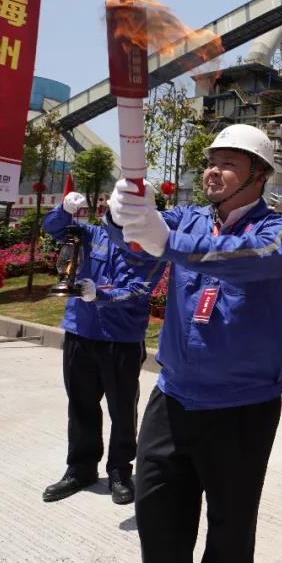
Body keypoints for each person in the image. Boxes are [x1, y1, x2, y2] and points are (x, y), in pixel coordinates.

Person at [106, 124, 282, 563]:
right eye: (211, 162)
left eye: (229, 163)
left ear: (260, 175)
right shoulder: (188, 219)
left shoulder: (277, 231)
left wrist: (165, 240)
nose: (213, 171)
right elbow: (136, 245)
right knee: (158, 518)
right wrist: (122, 216)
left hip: (242, 407)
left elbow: (247, 254)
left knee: (231, 531)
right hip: (172, 399)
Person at [40, 191, 165, 505]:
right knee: (80, 404)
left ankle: (121, 471)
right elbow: (54, 229)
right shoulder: (91, 233)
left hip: (120, 338)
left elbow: (139, 289)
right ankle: (80, 469)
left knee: (122, 408)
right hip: (81, 331)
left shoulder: (150, 246)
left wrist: (102, 294)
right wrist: (64, 210)